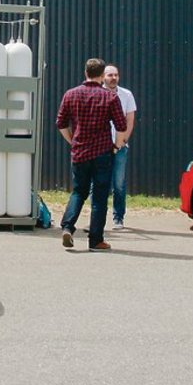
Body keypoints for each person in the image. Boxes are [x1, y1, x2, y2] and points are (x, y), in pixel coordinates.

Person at [56, 57, 126, 251]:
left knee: (79, 191)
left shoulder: (71, 94)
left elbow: (60, 123)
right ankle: (95, 240)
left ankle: (67, 227)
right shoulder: (110, 97)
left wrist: (72, 140)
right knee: (100, 197)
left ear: (85, 73)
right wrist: (117, 146)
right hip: (103, 152)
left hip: (79, 152)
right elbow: (121, 125)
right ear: (102, 76)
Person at [102, 64, 137, 230]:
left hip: (121, 145)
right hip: (101, 145)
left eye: (116, 75)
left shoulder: (126, 95)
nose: (113, 78)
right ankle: (98, 217)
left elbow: (130, 120)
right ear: (103, 77)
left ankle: (118, 218)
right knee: (99, 183)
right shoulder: (98, 94)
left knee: (119, 183)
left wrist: (122, 141)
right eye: (110, 75)